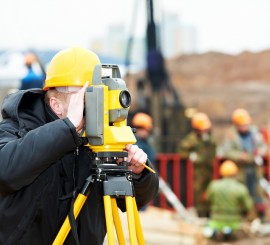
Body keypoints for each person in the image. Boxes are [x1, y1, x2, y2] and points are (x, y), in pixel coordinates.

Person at [0, 47, 159, 245]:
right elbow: (4, 172)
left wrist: (138, 174)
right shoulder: (18, 126)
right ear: (56, 105)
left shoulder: (101, 135)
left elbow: (140, 200)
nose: (95, 106)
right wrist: (66, 129)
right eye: (87, 98)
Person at [219, 108, 267, 220]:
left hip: (255, 168)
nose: (245, 127)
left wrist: (258, 152)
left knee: (257, 192)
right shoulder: (231, 135)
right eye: (242, 125)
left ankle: (260, 217)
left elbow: (263, 146)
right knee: (242, 192)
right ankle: (243, 217)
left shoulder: (254, 132)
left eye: (246, 124)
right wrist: (240, 156)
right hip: (240, 170)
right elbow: (226, 151)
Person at [177, 112, 216, 217]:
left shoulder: (209, 138)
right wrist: (190, 156)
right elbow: (182, 150)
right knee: (197, 192)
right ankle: (200, 213)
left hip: (209, 169)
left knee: (209, 191)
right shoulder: (192, 139)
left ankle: (208, 212)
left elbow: (213, 150)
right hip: (197, 171)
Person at [205, 160, 253, 241]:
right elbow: (248, 207)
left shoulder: (213, 186)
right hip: (234, 223)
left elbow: (207, 199)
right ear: (235, 173)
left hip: (216, 221)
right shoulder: (240, 188)